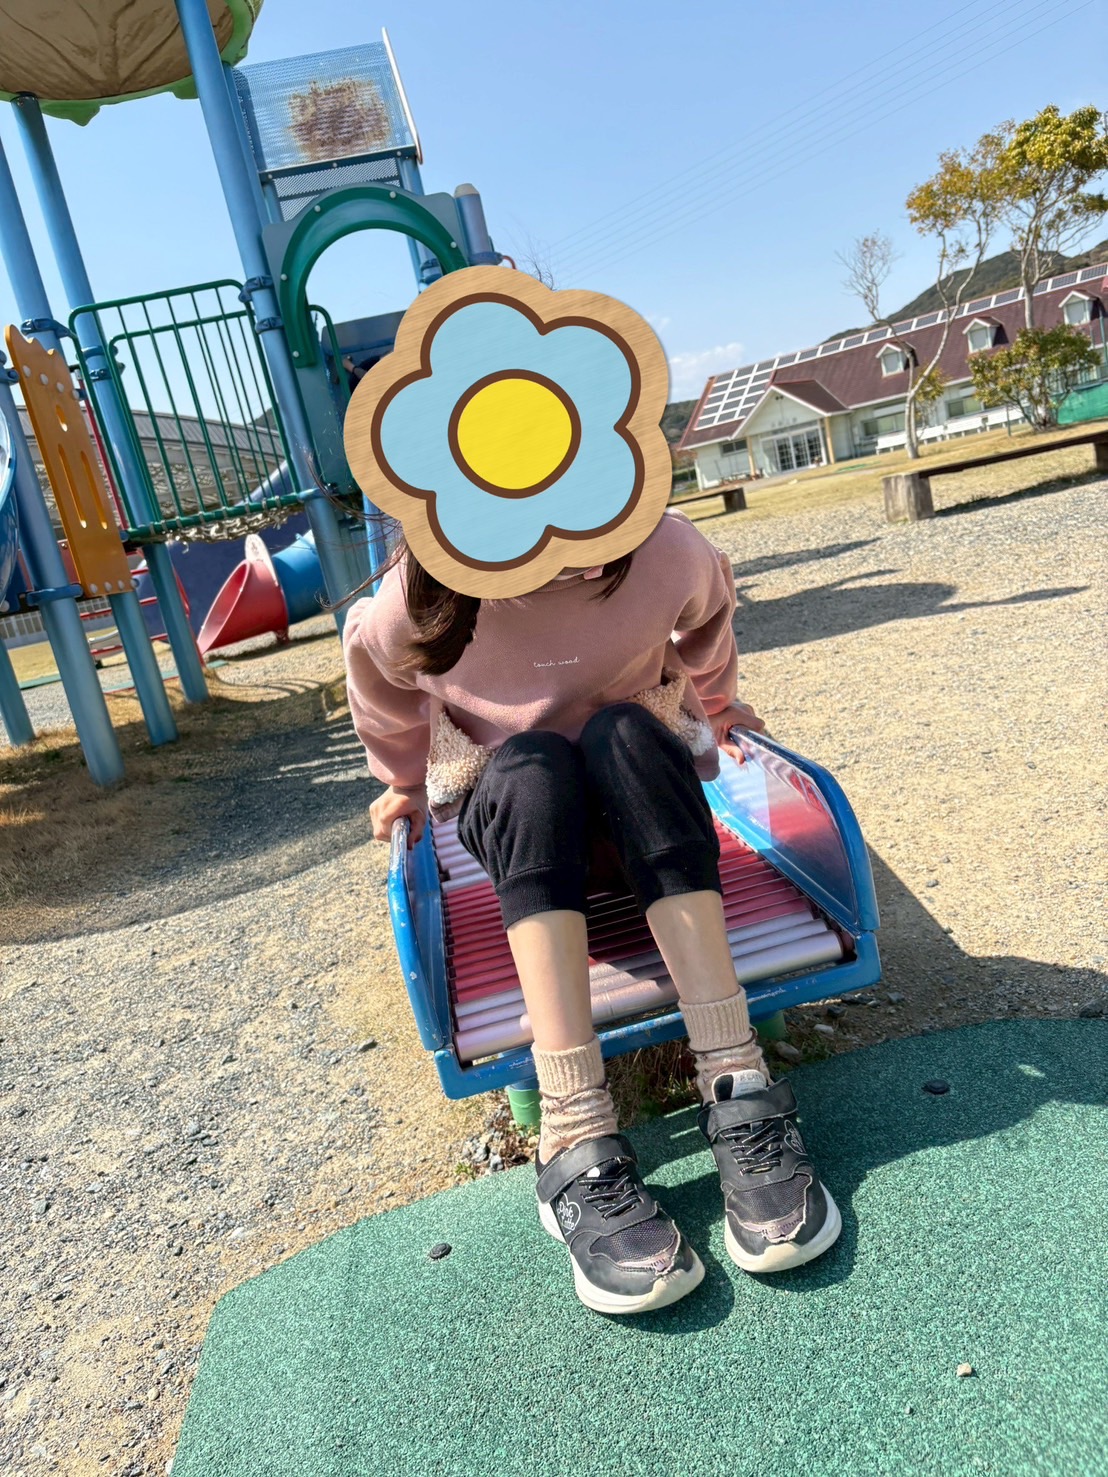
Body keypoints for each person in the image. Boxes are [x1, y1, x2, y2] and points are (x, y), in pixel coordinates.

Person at [342, 510, 841, 1315]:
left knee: (626, 733)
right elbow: (373, 666)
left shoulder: (657, 549)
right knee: (530, 764)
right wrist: (403, 777)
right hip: (525, 830)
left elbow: (711, 601)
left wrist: (717, 702)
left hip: (644, 808)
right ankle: (572, 1120)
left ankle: (734, 1069)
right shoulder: (426, 591)